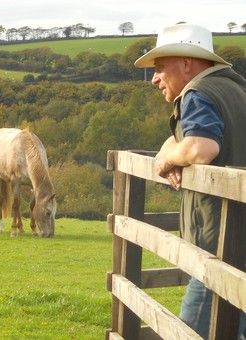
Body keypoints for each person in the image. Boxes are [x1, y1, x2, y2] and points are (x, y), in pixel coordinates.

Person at [135, 23, 246, 338]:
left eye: (159, 68)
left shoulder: (197, 93)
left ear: (186, 63)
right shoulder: (236, 90)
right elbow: (182, 140)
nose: (154, 78)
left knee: (189, 330)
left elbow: (201, 147)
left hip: (220, 244)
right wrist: (172, 152)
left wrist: (168, 161)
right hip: (241, 243)